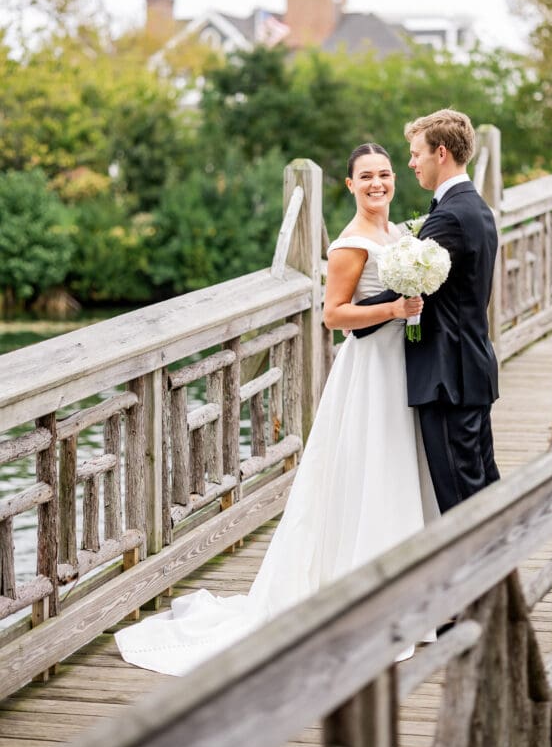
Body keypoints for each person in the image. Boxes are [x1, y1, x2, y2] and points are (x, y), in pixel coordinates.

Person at [115, 143, 437, 675]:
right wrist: (396, 308)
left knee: (397, 473)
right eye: (366, 177)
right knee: (369, 472)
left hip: (401, 365)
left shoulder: (401, 236)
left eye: (385, 174)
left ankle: (401, 594)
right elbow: (333, 316)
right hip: (368, 372)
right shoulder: (351, 243)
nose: (378, 183)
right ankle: (361, 599)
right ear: (350, 185)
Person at [404, 108, 500, 512]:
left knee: (461, 502)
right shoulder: (475, 207)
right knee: (484, 488)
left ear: (440, 153)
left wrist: (349, 309)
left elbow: (411, 289)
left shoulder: (449, 218)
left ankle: (481, 575)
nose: (411, 163)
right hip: (471, 369)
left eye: (416, 153)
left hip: (448, 379)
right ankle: (502, 571)